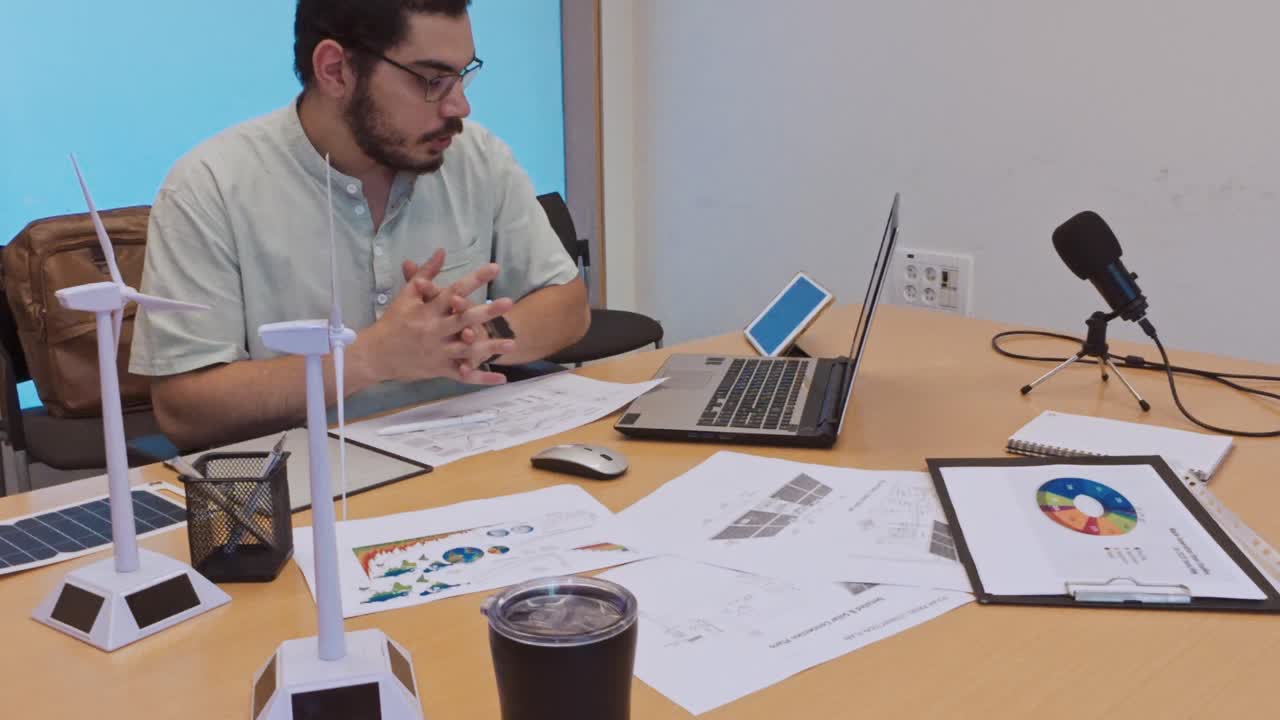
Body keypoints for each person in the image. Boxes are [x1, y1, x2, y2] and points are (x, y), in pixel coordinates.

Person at [129, 0, 589, 451]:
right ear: (335, 70)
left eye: (462, 75)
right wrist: (371, 358)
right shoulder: (209, 186)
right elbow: (184, 409)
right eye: (432, 80)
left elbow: (567, 304)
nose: (460, 107)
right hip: (308, 478)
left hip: (469, 453)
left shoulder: (476, 158)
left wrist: (476, 339)